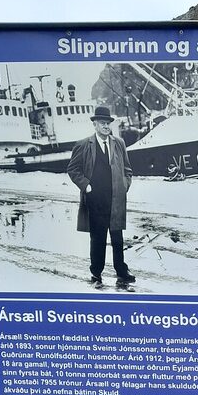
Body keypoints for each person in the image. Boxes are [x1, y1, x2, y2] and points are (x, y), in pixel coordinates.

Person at [67, 106, 136, 291]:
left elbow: (128, 169)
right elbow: (73, 169)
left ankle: (121, 271)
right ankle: (96, 273)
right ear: (95, 124)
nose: (106, 126)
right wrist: (86, 186)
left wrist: (125, 185)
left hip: (116, 199)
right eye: (103, 123)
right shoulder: (83, 145)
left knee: (117, 238)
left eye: (108, 123)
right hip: (95, 199)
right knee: (97, 238)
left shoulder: (119, 143)